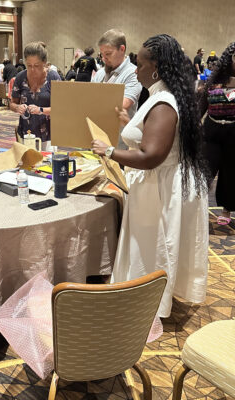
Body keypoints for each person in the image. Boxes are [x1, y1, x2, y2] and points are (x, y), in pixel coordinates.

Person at [91, 34, 209, 318]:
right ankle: (149, 296)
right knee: (156, 245)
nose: (136, 69)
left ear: (155, 67)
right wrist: (127, 122)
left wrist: (109, 152)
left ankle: (152, 302)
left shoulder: (163, 102)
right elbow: (149, 135)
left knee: (156, 246)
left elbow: (151, 156)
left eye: (140, 63)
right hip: (161, 183)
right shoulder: (161, 95)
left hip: (161, 186)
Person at [200, 42, 235, 225]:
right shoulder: (214, 80)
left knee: (230, 172)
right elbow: (201, 105)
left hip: (234, 133)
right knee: (204, 170)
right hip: (211, 130)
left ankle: (227, 210)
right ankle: (196, 206)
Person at [92, 29, 142, 148]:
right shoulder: (100, 74)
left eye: (108, 54)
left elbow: (121, 106)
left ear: (122, 49)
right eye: (102, 55)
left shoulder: (132, 73)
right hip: (97, 140)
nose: (104, 59)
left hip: (120, 145)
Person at [10, 41, 61, 150]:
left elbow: (61, 109)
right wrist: (17, 108)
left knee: (48, 164)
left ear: (45, 63)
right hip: (26, 133)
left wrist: (40, 110)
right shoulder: (20, 77)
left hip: (48, 135)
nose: (32, 70)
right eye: (29, 65)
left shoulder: (53, 77)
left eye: (36, 66)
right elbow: (12, 104)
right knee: (28, 165)